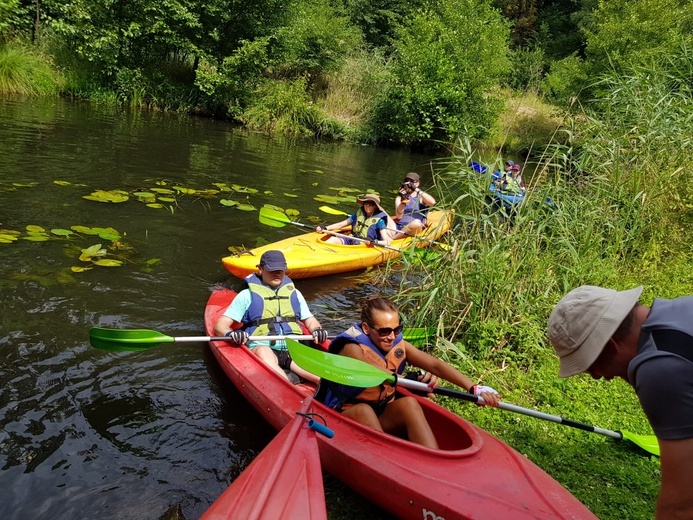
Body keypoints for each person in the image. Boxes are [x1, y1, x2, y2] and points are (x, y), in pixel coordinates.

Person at [548, 285, 693, 519]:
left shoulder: (659, 369)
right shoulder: (680, 310)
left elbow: (681, 508)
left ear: (610, 345)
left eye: (591, 364)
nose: (597, 376)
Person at [318, 296, 500, 449]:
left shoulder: (396, 342)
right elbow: (371, 370)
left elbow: (435, 365)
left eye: (397, 329)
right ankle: (387, 460)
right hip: (347, 412)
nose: (391, 336)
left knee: (409, 404)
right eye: (384, 331)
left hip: (381, 410)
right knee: (365, 411)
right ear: (366, 328)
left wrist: (473, 387)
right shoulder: (351, 347)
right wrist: (407, 379)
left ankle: (434, 459)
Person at [214, 250, 328, 384]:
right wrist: (231, 334)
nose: (277, 273)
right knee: (264, 351)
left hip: (292, 350)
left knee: (322, 379)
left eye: (280, 270)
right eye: (272, 269)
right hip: (262, 347)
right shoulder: (246, 295)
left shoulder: (295, 294)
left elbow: (309, 319)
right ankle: (287, 387)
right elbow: (220, 325)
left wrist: (317, 329)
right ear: (260, 269)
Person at [316, 193, 392, 246]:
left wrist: (374, 242)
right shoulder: (358, 214)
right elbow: (341, 224)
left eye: (371, 204)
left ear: (375, 206)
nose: (367, 206)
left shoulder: (380, 221)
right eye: (366, 203)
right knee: (332, 239)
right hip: (351, 238)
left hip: (364, 245)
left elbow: (387, 242)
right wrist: (326, 228)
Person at [392, 172, 436, 240]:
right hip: (400, 227)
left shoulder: (421, 197)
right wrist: (403, 200)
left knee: (416, 223)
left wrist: (416, 189)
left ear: (417, 184)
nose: (409, 184)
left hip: (415, 228)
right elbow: (399, 216)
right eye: (406, 181)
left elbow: (432, 203)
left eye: (412, 182)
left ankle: (392, 239)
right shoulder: (399, 198)